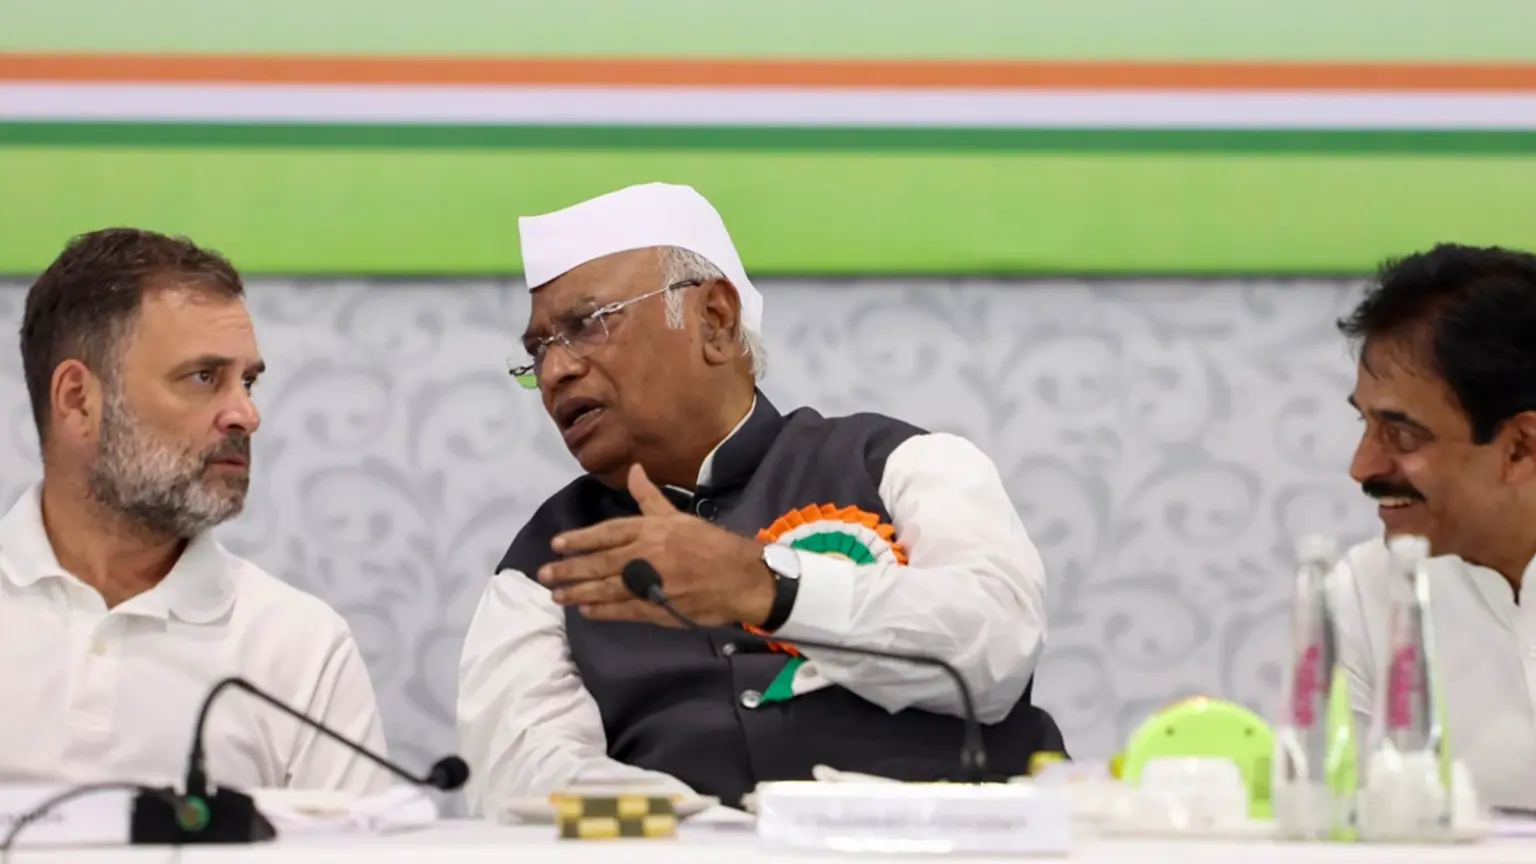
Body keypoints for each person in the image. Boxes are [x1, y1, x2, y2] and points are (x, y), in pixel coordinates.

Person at [458, 182, 1065, 815]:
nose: (555, 372)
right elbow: (522, 781)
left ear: (715, 321)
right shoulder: (545, 560)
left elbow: (1000, 649)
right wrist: (714, 835)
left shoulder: (900, 462)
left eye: (586, 325)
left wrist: (771, 588)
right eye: (538, 351)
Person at [0, 228, 390, 793]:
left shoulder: (299, 647)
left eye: (248, 381)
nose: (246, 415)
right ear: (78, 400)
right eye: (204, 377)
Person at [1331, 243, 1536, 810]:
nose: (1362, 467)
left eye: (1401, 434)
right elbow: (1344, 820)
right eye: (1365, 423)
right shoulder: (1366, 588)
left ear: (1521, 447)